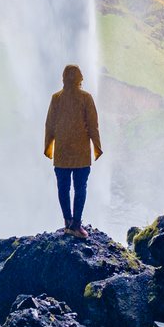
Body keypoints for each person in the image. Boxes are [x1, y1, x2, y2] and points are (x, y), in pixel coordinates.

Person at [44, 64, 101, 238]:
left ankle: (67, 222)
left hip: (62, 152)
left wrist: (49, 146)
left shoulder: (56, 98)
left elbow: (49, 124)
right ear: (80, 78)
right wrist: (97, 146)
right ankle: (76, 224)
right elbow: (93, 125)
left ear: (63, 78)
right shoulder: (86, 98)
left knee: (63, 188)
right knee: (80, 188)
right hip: (81, 153)